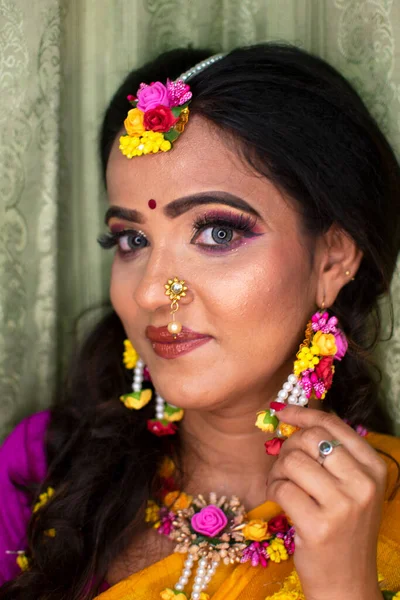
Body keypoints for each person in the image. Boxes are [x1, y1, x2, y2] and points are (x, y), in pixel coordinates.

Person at [0, 43, 400, 600]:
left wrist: (344, 587)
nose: (149, 292)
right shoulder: (42, 469)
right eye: (131, 240)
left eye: (218, 233)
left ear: (332, 260)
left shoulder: (391, 512)